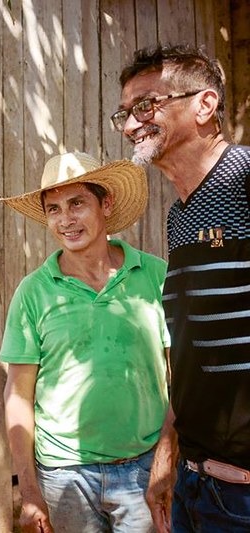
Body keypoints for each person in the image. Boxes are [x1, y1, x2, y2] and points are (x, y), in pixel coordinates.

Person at [115, 44, 250, 532]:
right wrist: (168, 453)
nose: (132, 125)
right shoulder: (181, 217)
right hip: (199, 488)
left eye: (147, 106)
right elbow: (194, 355)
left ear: (205, 105)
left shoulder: (245, 177)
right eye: (125, 113)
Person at [0, 152, 169, 533]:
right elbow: (18, 394)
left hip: (142, 469)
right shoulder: (34, 292)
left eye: (77, 203)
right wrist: (28, 491)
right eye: (54, 209)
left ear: (105, 203)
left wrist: (167, 459)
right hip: (64, 476)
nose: (66, 220)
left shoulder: (154, 277)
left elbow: (184, 376)